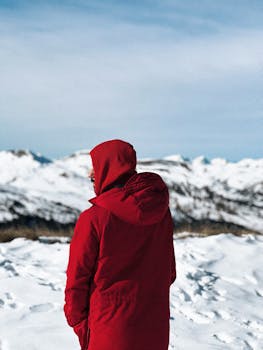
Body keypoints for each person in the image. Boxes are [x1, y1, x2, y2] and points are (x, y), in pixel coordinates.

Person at [64, 139, 177, 350]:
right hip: (155, 331)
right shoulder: (162, 214)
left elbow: (76, 283)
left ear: (109, 170)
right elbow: (169, 272)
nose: (90, 173)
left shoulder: (94, 218)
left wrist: (80, 324)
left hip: (109, 332)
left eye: (95, 166)